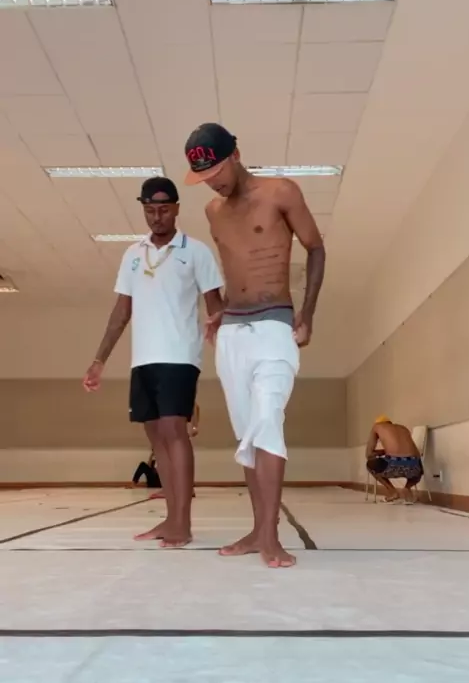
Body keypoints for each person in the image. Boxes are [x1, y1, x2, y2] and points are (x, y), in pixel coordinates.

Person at [184, 123, 326, 568]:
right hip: (233, 332)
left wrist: (308, 314)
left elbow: (316, 249)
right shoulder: (213, 211)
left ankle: (270, 536)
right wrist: (221, 310)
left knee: (267, 421)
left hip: (274, 326)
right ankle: (257, 529)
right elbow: (236, 267)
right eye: (203, 177)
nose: (212, 183)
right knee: (247, 433)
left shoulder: (281, 192)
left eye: (216, 172)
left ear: (236, 154)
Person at [83, 177, 223, 547]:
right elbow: (121, 311)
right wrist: (99, 359)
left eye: (163, 210)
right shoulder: (132, 254)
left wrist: (226, 345)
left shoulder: (196, 251)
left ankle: (183, 523)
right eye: (149, 210)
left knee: (175, 432)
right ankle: (170, 518)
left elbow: (216, 307)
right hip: (142, 360)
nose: (156, 217)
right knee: (155, 437)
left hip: (179, 356)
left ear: (176, 209)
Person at [365, 415, 424, 504]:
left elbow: (369, 454)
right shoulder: (403, 428)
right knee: (419, 468)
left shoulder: (377, 427)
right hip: (414, 469)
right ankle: (407, 488)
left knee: (370, 464)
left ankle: (393, 492)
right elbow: (416, 454)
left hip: (392, 467)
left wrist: (384, 451)